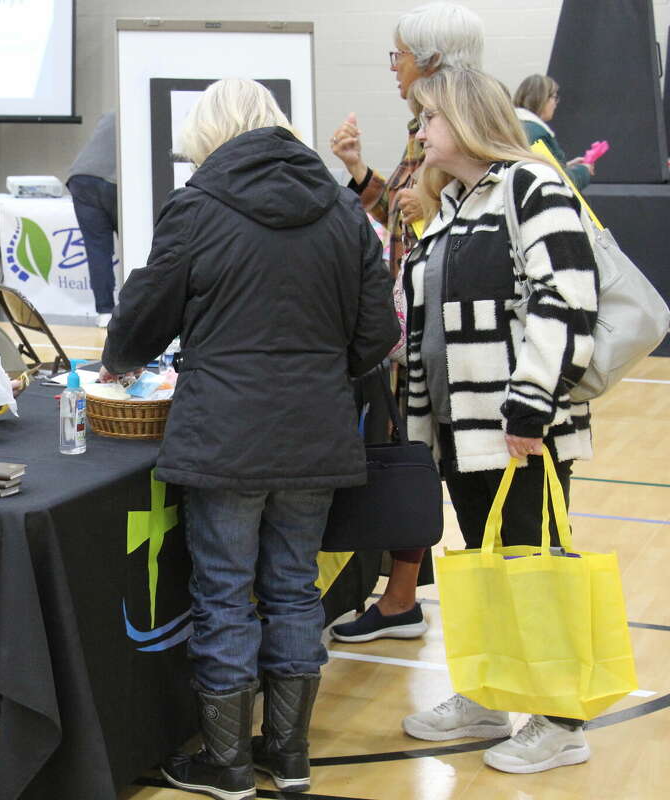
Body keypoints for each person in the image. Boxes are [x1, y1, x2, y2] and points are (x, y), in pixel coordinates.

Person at [101, 79, 398, 799]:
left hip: (225, 436)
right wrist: (322, 372)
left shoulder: (199, 204)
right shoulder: (339, 206)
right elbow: (378, 335)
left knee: (224, 595)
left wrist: (120, 359)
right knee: (295, 591)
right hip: (317, 434)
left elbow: (145, 314)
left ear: (211, 135)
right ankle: (288, 756)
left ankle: (228, 764)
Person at [399, 68, 598, 774]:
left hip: (518, 428)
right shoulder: (450, 203)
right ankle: (486, 692)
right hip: (460, 429)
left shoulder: (530, 186)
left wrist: (531, 402)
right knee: (485, 570)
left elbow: (567, 297)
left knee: (534, 569)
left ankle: (562, 718)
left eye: (430, 120)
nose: (420, 133)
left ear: (468, 120)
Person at [327, 0, 484, 644]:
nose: (393, 67)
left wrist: (417, 214)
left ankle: (404, 599)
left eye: (400, 54)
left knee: (420, 459)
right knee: (412, 455)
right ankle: (399, 594)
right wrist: (362, 173)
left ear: (433, 60)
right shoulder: (427, 127)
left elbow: (440, 229)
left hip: (441, 339)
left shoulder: (459, 132)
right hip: (411, 328)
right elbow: (402, 213)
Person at [66, 112, 119, 328]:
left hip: (81, 177)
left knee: (97, 250)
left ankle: (105, 312)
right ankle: (137, 311)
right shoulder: (143, 107)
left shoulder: (109, 114)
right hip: (114, 181)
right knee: (141, 242)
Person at [514, 74, 593, 190]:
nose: (556, 103)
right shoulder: (535, 134)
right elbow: (557, 183)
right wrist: (583, 171)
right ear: (541, 98)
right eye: (554, 97)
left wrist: (567, 167)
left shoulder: (516, 126)